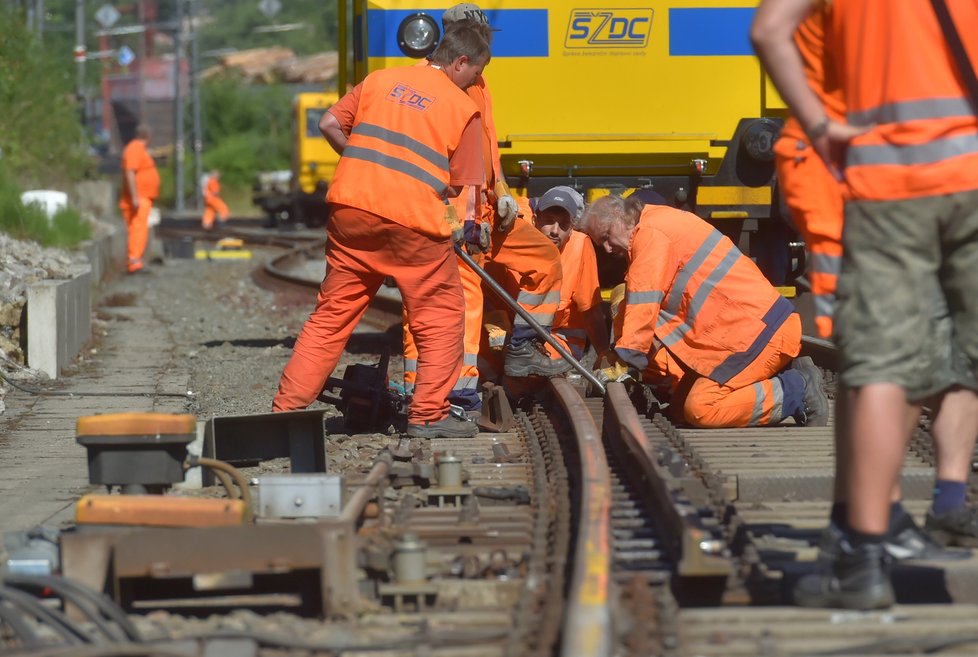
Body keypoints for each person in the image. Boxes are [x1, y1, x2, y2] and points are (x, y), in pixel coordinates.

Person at [752, 0, 978, 609]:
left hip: (882, 177)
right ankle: (881, 518)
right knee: (935, 350)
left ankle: (864, 538)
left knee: (875, 358)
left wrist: (822, 127)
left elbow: (768, 29)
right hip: (962, 174)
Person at [272, 23, 491, 439]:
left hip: (351, 210)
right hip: (412, 224)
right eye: (475, 73)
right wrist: (455, 230)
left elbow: (329, 125)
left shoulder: (380, 79)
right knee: (442, 317)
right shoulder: (463, 108)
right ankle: (428, 415)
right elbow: (461, 187)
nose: (475, 82)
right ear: (460, 62)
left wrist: (363, 161)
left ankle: (284, 412)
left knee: (332, 317)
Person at [402, 4, 568, 420]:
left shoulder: (478, 79)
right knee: (463, 303)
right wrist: (452, 219)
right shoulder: (434, 83)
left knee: (544, 259)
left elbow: (488, 146)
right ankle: (454, 395)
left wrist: (504, 189)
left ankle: (523, 349)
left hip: (490, 212)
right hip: (458, 219)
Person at [581, 194, 828, 429]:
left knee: (700, 408)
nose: (607, 249)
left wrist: (627, 359)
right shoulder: (658, 224)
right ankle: (778, 375)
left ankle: (797, 390)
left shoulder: (651, 234)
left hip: (758, 334)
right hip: (743, 332)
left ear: (621, 218)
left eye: (606, 237)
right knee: (679, 407)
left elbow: (643, 301)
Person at [119, 124, 160, 274]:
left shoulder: (137, 149)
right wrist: (135, 197)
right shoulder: (135, 148)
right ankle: (134, 262)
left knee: (139, 229)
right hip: (139, 198)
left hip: (142, 197)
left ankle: (135, 260)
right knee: (138, 229)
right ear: (148, 137)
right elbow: (130, 172)